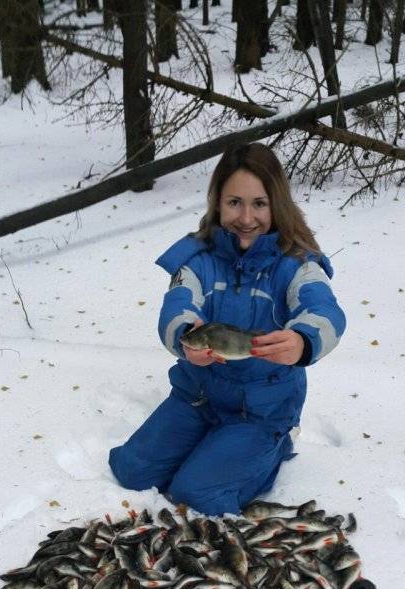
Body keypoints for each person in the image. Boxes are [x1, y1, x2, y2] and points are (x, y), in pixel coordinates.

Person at [109, 142, 346, 516]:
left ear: (276, 205)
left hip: (259, 412)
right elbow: (177, 306)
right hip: (198, 399)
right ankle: (210, 445)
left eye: (259, 204)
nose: (246, 217)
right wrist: (186, 335)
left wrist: (302, 340)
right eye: (235, 202)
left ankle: (273, 445)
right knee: (131, 471)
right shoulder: (197, 259)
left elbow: (325, 311)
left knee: (195, 495)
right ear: (217, 203)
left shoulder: (297, 265)